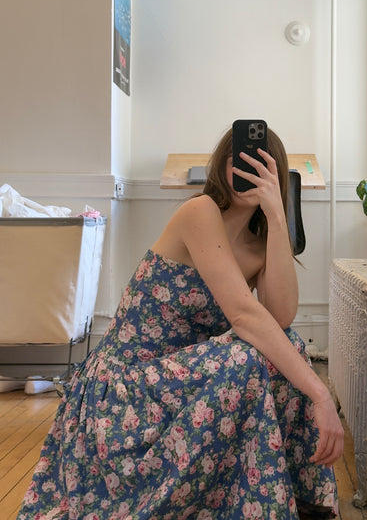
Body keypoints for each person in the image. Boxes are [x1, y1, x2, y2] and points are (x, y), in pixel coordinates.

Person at [17, 126, 344, 520]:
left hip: (182, 381)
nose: (248, 170)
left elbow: (280, 318)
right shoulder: (199, 212)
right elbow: (244, 316)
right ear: (221, 165)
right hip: (124, 387)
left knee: (287, 343)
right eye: (238, 160)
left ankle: (300, 503)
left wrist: (276, 215)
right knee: (245, 357)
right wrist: (321, 395)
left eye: (260, 164)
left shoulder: (259, 247)